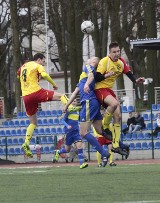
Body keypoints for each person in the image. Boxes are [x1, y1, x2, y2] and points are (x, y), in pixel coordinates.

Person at [94, 41, 145, 155]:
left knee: (118, 116)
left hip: (109, 90)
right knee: (114, 104)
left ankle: (115, 145)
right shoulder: (104, 61)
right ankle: (105, 126)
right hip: (100, 89)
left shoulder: (121, 62)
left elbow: (128, 73)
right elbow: (96, 77)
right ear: (110, 52)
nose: (117, 54)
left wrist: (136, 80)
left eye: (118, 51)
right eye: (114, 52)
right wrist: (107, 75)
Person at [17, 53, 68, 158]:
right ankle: (70, 109)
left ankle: (26, 143)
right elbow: (44, 75)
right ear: (39, 60)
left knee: (33, 122)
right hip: (35, 91)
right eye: (44, 61)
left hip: (25, 96)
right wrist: (54, 84)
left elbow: (19, 76)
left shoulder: (23, 66)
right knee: (60, 96)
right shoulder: (37, 65)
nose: (44, 63)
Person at [63, 57, 110, 167]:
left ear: (93, 62)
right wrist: (66, 105)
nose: (88, 59)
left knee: (83, 132)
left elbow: (91, 76)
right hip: (93, 102)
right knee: (100, 130)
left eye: (90, 59)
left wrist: (86, 85)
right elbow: (75, 92)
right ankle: (119, 145)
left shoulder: (88, 67)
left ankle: (104, 153)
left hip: (88, 101)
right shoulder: (82, 76)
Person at [54, 99, 88, 169]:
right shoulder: (68, 110)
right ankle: (58, 152)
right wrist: (67, 126)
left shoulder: (77, 111)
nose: (74, 101)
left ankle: (82, 163)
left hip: (76, 132)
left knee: (80, 146)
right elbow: (62, 120)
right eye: (72, 101)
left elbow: (78, 120)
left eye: (75, 101)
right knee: (67, 150)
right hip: (69, 132)